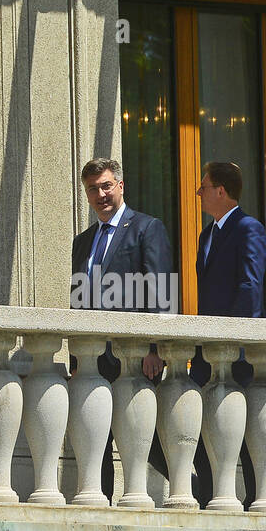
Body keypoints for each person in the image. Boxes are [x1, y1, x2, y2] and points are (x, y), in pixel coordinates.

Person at [70, 157, 174, 500]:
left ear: (120, 186)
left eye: (106, 186)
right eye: (92, 189)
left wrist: (155, 348)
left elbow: (159, 291)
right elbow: (78, 298)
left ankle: (195, 487)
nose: (100, 194)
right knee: (96, 439)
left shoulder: (146, 228)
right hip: (93, 359)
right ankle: (101, 508)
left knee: (148, 440)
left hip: (134, 358)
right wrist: (76, 357)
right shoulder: (82, 241)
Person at [191, 161, 266, 509]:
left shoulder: (248, 228)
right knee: (198, 424)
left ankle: (254, 497)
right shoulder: (208, 234)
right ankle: (208, 494)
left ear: (221, 191)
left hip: (236, 350)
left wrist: (235, 339)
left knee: (246, 429)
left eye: (203, 187)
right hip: (205, 349)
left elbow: (250, 285)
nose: (199, 193)